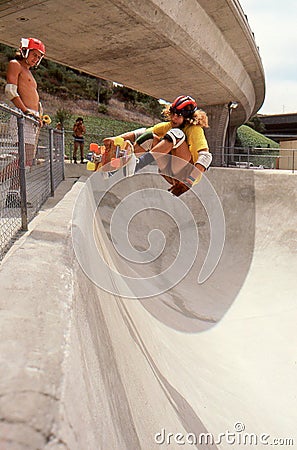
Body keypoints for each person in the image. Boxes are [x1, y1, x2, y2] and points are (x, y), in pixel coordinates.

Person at [103, 95, 212, 196]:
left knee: (177, 134)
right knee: (149, 137)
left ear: (187, 118)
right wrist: (115, 139)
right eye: (173, 113)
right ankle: (117, 168)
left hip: (185, 175)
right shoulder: (168, 126)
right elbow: (140, 133)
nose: (174, 118)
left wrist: (189, 181)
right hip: (169, 171)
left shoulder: (194, 129)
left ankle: (138, 164)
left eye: (178, 116)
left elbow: (206, 157)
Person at [5, 37, 46, 168]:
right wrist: (25, 111)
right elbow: (10, 91)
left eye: (39, 57)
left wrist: (38, 116)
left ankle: (14, 189)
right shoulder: (15, 64)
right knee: (23, 159)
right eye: (34, 55)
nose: (36, 59)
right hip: (22, 115)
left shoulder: (29, 72)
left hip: (31, 117)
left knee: (26, 160)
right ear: (25, 51)